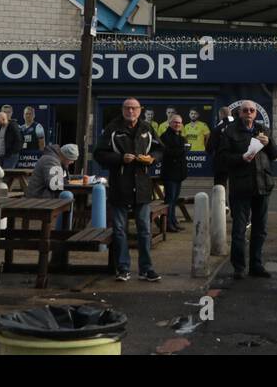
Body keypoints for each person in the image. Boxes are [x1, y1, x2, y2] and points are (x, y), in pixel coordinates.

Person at [93, 98, 163, 283]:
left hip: (142, 186)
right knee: (119, 230)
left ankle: (146, 269)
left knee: (145, 230)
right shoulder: (112, 128)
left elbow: (160, 149)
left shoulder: (146, 128)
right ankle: (123, 269)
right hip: (120, 186)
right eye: (127, 108)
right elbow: (98, 154)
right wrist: (120, 158)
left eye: (134, 108)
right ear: (122, 110)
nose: (130, 111)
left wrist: (152, 158)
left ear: (140, 110)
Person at [216, 102, 277, 279]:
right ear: (239, 113)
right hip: (241, 186)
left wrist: (268, 144)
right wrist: (241, 158)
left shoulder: (263, 129)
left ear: (256, 112)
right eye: (245, 110)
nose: (249, 113)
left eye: (252, 110)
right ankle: (239, 267)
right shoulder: (230, 131)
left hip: (263, 186)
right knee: (239, 230)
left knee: (260, 229)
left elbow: (274, 155)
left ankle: (256, 265)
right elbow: (222, 158)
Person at [26, 143, 79, 228]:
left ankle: (66, 228)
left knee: (69, 198)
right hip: (38, 197)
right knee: (67, 197)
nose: (72, 162)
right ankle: (63, 230)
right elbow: (54, 184)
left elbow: (61, 179)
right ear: (65, 156)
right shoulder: (51, 161)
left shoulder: (55, 159)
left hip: (42, 193)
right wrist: (69, 182)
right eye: (71, 159)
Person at [159, 113, 189, 232]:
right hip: (170, 173)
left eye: (180, 122)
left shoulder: (180, 137)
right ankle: (168, 224)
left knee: (174, 199)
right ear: (170, 123)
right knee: (169, 200)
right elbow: (167, 153)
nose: (178, 124)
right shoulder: (165, 137)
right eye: (175, 122)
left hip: (179, 174)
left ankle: (173, 221)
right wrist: (183, 149)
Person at [207, 106, 232, 191]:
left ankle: (223, 203)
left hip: (221, 162)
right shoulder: (239, 125)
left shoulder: (217, 128)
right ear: (230, 114)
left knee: (220, 186)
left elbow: (210, 147)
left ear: (220, 115)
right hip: (238, 160)